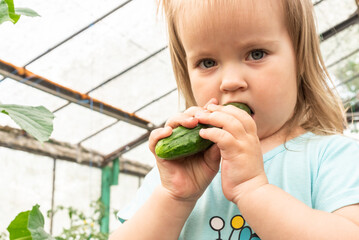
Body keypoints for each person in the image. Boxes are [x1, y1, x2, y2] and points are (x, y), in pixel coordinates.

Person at [110, 0, 359, 239]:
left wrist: (252, 189)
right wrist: (173, 197)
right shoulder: (173, 174)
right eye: (207, 62)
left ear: (300, 58)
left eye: (256, 53)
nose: (229, 81)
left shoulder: (334, 158)